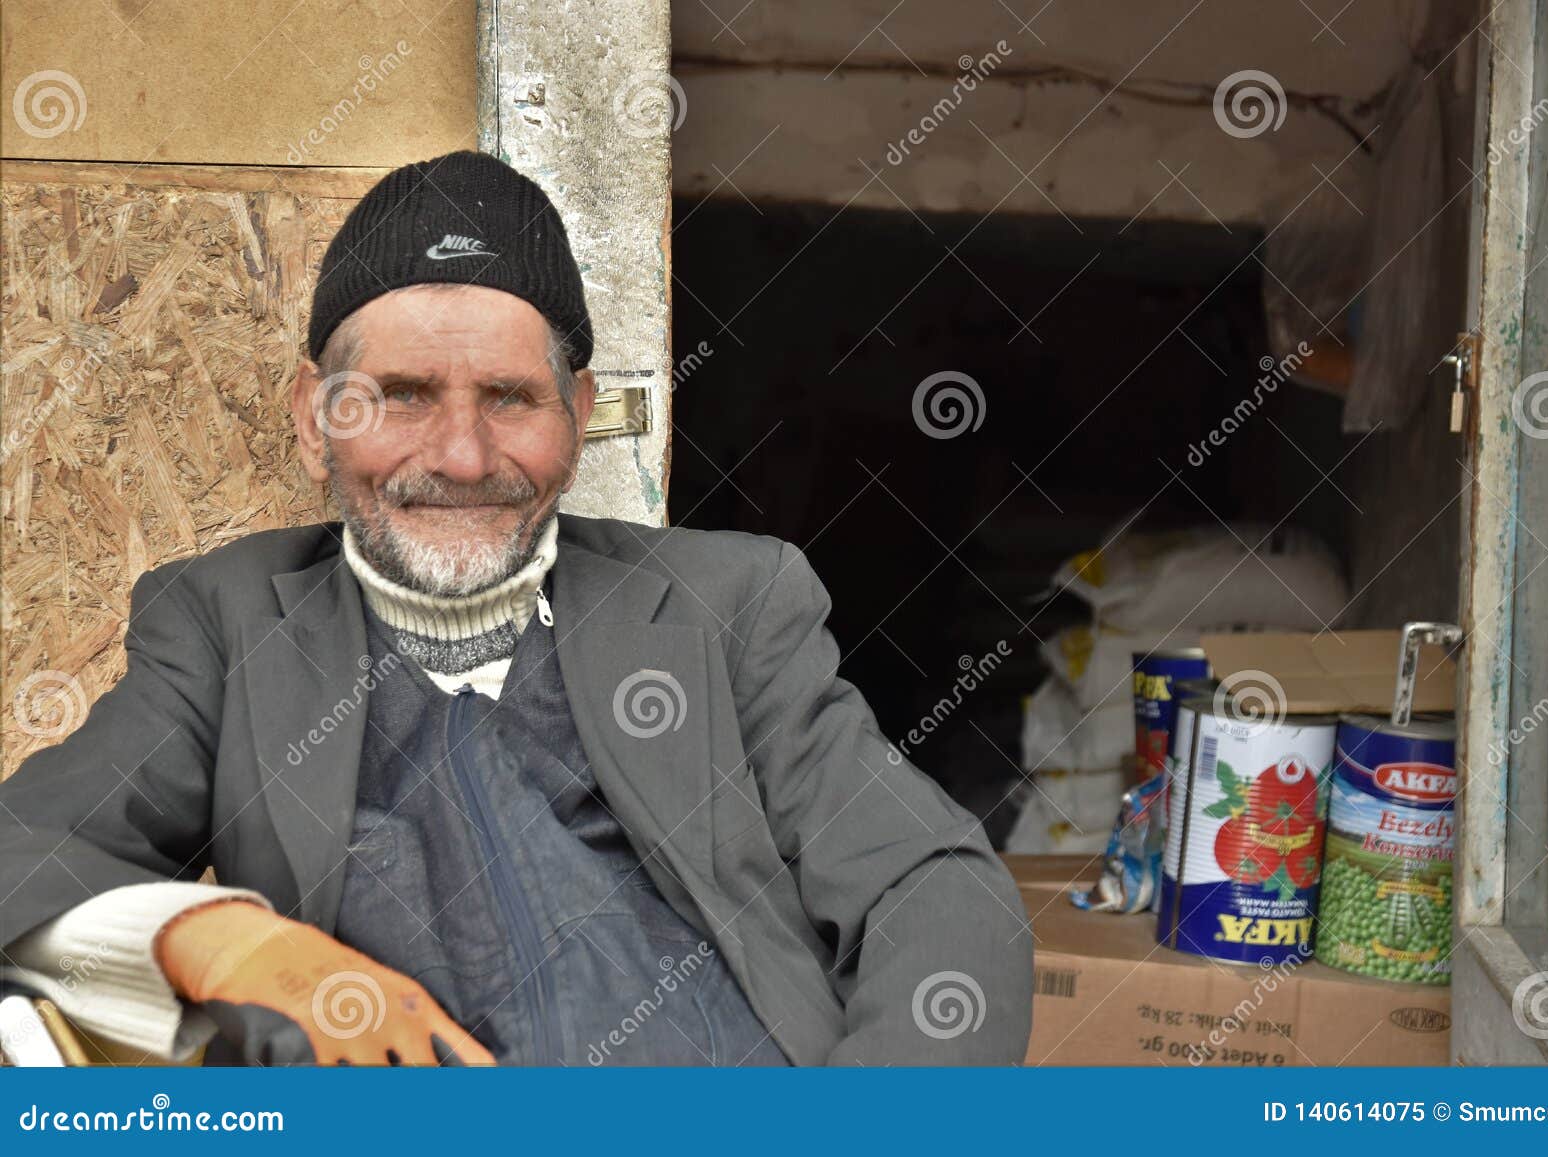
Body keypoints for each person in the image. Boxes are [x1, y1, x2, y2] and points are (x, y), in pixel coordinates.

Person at [0, 150, 1031, 1066]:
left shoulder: (727, 604)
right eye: (403, 394)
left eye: (509, 398)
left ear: (575, 418)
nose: (460, 456)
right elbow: (26, 847)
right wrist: (225, 936)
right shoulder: (223, 622)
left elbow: (931, 883)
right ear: (317, 421)